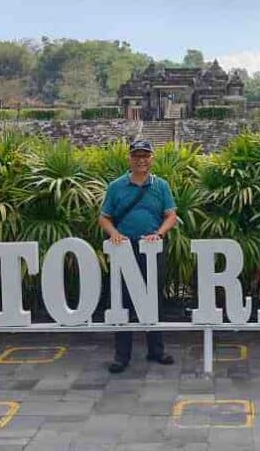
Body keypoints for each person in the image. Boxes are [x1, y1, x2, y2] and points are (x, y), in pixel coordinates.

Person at [98, 139, 179, 374]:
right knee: (122, 301)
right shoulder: (116, 186)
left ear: (152, 159)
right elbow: (104, 217)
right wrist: (114, 233)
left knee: (153, 299)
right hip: (125, 248)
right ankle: (122, 356)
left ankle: (156, 350)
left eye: (145, 156)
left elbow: (171, 215)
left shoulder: (161, 185)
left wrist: (159, 234)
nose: (141, 160)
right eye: (137, 156)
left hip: (151, 246)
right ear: (129, 159)